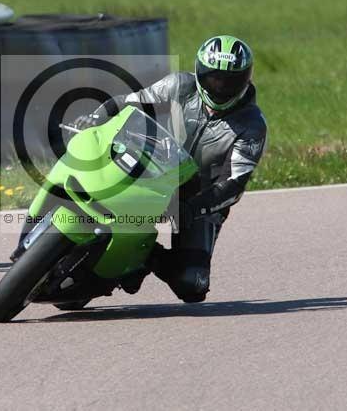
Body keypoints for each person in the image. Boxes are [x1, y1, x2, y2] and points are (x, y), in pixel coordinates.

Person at [73, 35, 267, 303]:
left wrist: (194, 207)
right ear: (200, 73)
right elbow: (127, 102)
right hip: (153, 172)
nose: (221, 86)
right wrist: (96, 119)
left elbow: (234, 184)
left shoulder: (252, 124)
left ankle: (144, 256)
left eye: (230, 80)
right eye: (213, 78)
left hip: (199, 199)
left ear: (246, 78)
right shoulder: (179, 85)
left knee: (192, 286)